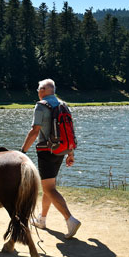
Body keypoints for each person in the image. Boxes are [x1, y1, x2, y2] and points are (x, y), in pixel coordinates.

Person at [21, 79, 81, 239]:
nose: (38, 92)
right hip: (61, 150)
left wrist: (22, 151)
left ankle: (70, 219)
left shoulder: (41, 105)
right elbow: (69, 130)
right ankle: (42, 219)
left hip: (46, 151)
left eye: (38, 89)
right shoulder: (63, 104)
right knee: (49, 185)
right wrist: (70, 153)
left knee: (48, 188)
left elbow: (34, 131)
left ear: (42, 90)